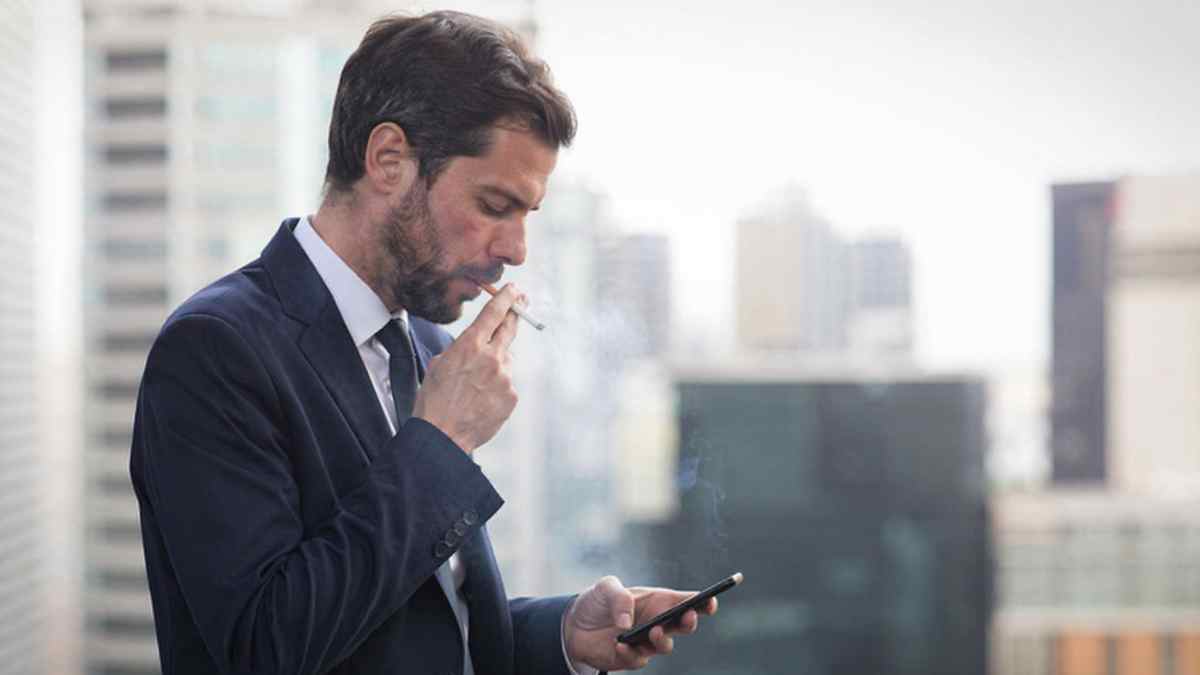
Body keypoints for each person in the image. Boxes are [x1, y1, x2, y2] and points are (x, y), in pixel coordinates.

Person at [129, 10, 715, 675]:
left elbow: (418, 628)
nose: (516, 251)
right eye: (496, 206)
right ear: (388, 161)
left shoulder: (430, 341)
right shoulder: (215, 350)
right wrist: (440, 444)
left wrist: (561, 634)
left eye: (528, 216)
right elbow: (265, 645)